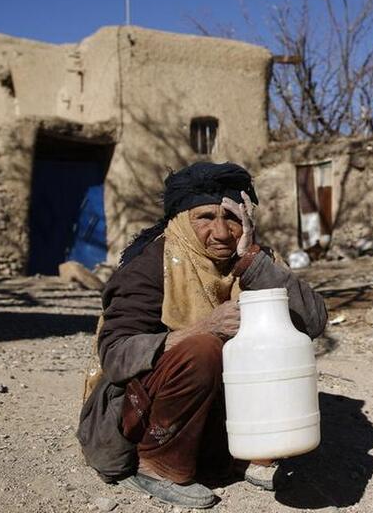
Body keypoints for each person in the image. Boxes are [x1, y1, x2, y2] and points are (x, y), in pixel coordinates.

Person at [77, 161, 328, 509]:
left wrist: (253, 264)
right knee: (204, 348)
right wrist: (202, 328)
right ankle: (159, 465)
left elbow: (313, 321)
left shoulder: (256, 258)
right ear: (181, 220)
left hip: (218, 410)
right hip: (140, 414)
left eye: (233, 218)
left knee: (271, 339)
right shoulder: (152, 265)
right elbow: (117, 355)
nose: (223, 232)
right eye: (206, 217)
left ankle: (249, 452)